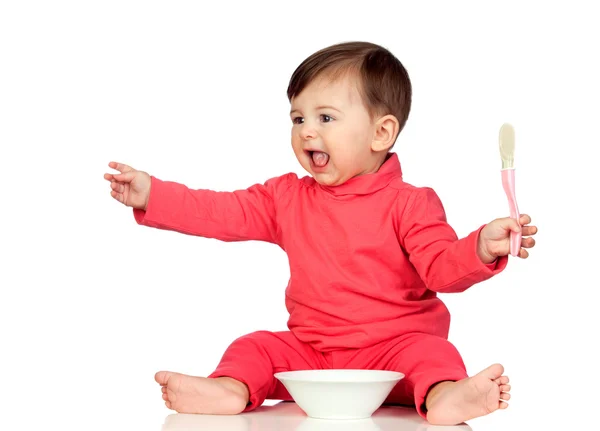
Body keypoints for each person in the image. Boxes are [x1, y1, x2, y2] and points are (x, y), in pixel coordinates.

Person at [104, 41, 537, 426]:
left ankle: (445, 396)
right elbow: (219, 210)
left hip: (395, 357)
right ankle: (230, 389)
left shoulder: (410, 202)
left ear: (381, 132)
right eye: (298, 117)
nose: (306, 130)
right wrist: (152, 194)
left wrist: (480, 246)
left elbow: (442, 268)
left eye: (325, 117)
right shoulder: (286, 197)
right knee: (255, 346)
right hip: (311, 355)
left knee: (436, 356)